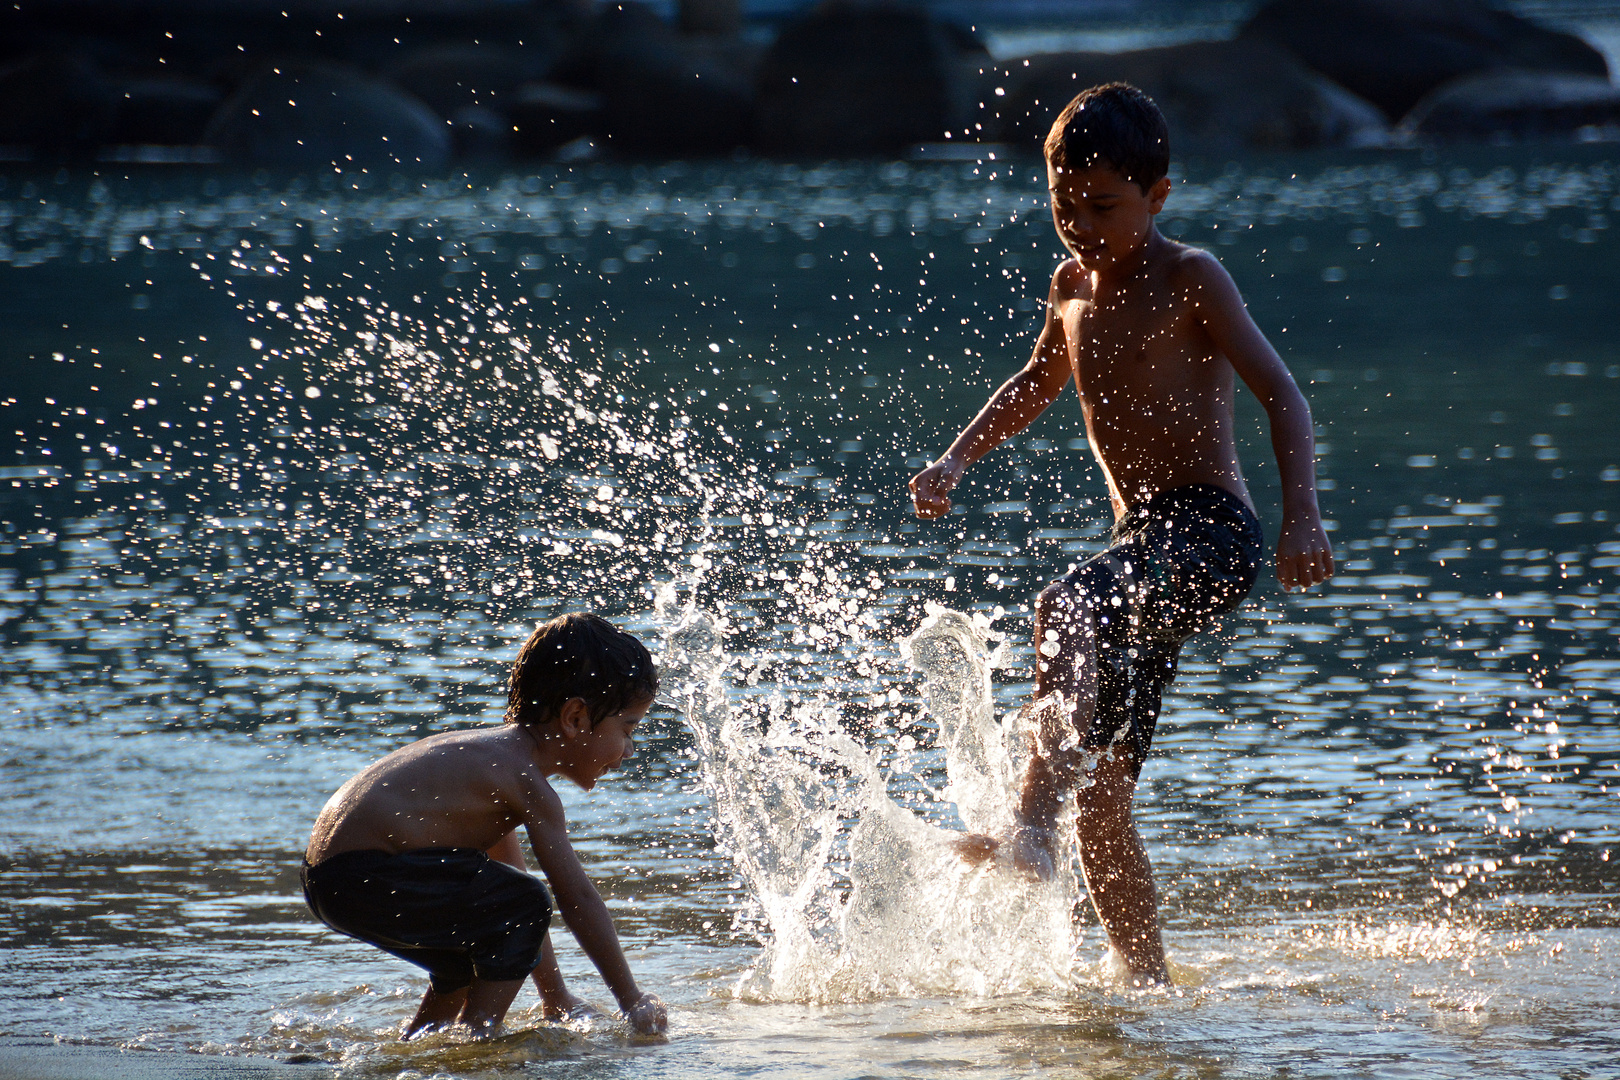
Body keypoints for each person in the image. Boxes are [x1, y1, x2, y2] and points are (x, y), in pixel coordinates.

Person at [908, 83, 1334, 986]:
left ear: (1158, 197)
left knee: (1065, 600)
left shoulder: (1191, 277)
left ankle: (1027, 825)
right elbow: (1033, 386)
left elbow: (1283, 395)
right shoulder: (1069, 286)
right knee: (1103, 796)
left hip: (1212, 534)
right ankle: (1144, 981)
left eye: (1105, 206)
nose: (1083, 226)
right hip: (1142, 550)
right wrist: (954, 460)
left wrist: (1303, 514)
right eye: (1066, 207)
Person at [301, 612, 668, 1037]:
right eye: (628, 727)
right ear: (574, 717)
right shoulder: (522, 780)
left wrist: (556, 998)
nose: (629, 750)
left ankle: (426, 1039)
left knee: (473, 949)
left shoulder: (493, 765)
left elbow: (511, 889)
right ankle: (479, 1038)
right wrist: (631, 1000)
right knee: (526, 902)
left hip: (334, 879)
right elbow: (576, 898)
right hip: (361, 874)